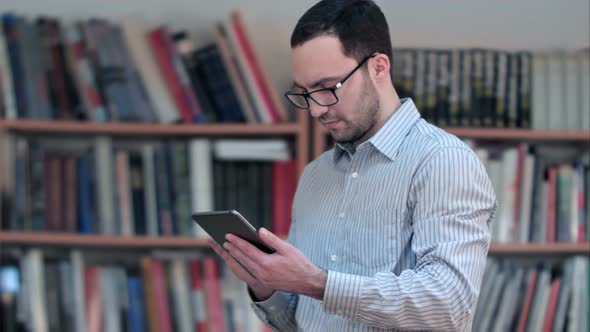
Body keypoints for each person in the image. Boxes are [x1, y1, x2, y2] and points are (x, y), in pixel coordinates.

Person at [207, 0, 497, 330]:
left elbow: (449, 304)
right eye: (304, 93)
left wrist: (318, 283)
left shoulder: (443, 162)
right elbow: (301, 322)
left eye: (328, 88)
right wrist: (264, 282)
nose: (316, 110)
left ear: (379, 67)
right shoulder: (316, 175)